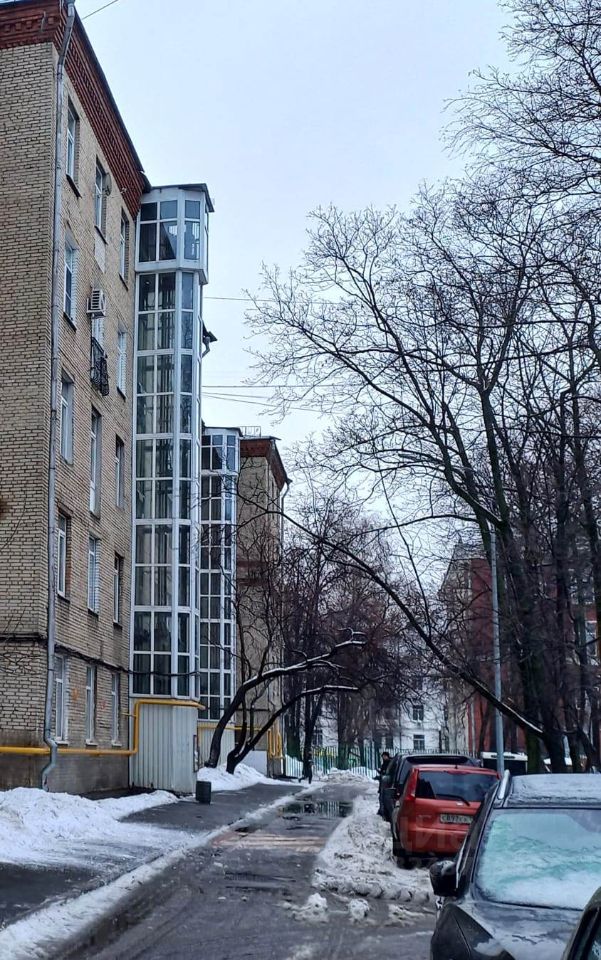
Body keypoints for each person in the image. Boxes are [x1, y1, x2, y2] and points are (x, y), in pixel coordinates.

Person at [376, 751, 392, 816]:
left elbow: (386, 773)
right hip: (383, 782)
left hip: (385, 783)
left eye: (385, 756)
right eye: (383, 756)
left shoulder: (389, 763)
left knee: (382, 798)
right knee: (381, 797)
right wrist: (380, 772)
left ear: (387, 756)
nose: (383, 757)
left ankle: (382, 811)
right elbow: (383, 772)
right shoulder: (385, 763)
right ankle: (381, 810)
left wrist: (382, 774)